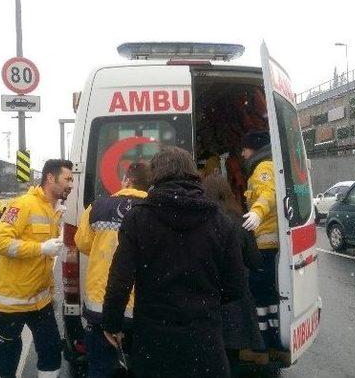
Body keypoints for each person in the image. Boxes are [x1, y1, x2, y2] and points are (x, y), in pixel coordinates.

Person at [102, 146, 247, 378]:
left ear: (156, 175)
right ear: (192, 173)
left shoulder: (139, 218)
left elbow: (120, 280)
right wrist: (204, 302)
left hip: (154, 343)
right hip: (204, 342)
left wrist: (111, 322)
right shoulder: (219, 220)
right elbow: (236, 286)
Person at [0, 159, 74, 378]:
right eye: (67, 179)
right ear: (50, 178)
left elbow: (47, 254)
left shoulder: (53, 209)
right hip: (13, 301)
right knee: (8, 356)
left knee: (52, 350)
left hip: (40, 300)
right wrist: (41, 248)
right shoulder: (22, 205)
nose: (71, 184)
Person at [75, 162, 151, 378]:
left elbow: (82, 244)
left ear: (126, 180)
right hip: (144, 310)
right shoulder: (156, 209)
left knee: (100, 368)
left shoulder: (97, 207)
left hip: (102, 307)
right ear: (148, 186)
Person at [202, 173, 266, 366]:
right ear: (227, 193)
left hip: (207, 296)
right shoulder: (240, 221)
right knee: (233, 355)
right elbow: (255, 262)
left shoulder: (200, 220)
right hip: (237, 300)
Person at [240, 130, 282, 359]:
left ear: (254, 148)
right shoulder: (266, 165)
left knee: (258, 294)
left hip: (263, 245)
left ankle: (261, 344)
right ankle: (273, 339)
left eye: (245, 149)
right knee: (267, 295)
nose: (242, 154)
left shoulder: (263, 168)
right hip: (268, 244)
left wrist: (256, 212)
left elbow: (268, 194)